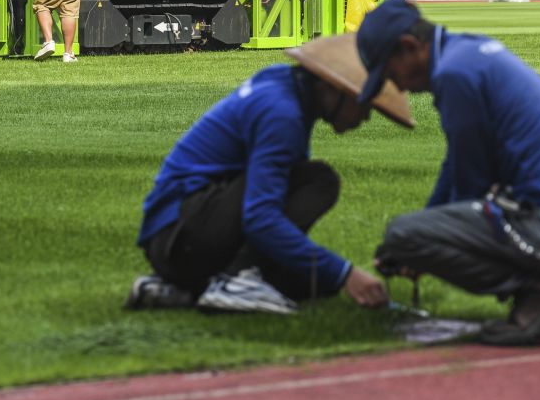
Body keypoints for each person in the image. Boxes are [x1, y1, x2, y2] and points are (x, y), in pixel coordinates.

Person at [356, 0, 540, 345]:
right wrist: (432, 222)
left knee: (402, 235)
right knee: (416, 233)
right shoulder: (467, 52)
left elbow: (472, 182)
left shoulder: (454, 76)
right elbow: (456, 166)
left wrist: (416, 246)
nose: (400, 86)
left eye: (392, 73)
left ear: (409, 47)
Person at [127, 33, 415, 314]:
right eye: (364, 105)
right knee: (318, 181)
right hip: (182, 233)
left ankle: (185, 288)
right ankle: (237, 280)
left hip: (175, 240)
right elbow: (261, 217)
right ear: (334, 88)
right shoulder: (283, 113)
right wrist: (345, 273)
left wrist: (332, 275)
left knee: (315, 284)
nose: (365, 117)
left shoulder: (285, 87)